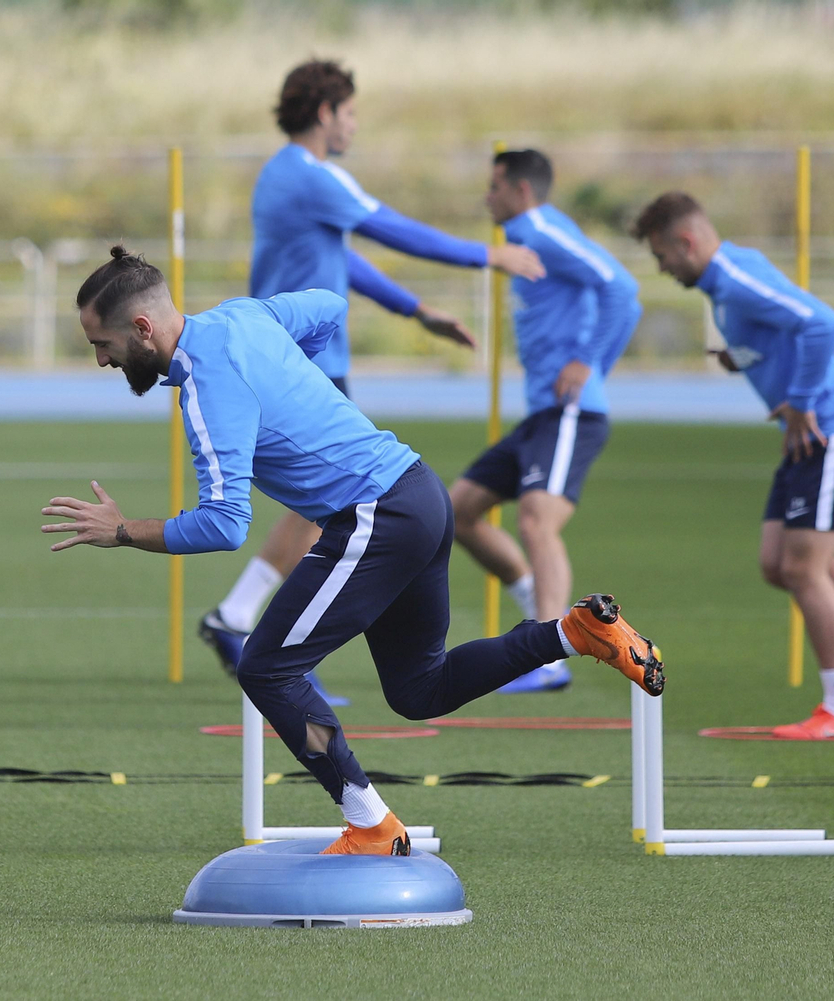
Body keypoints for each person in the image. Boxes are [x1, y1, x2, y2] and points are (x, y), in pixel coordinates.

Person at [43, 248, 662, 855]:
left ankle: (370, 823)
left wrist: (122, 530)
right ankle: (575, 633)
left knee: (265, 668)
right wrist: (294, 380)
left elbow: (226, 525)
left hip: (377, 517)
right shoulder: (246, 317)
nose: (101, 359)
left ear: (143, 327)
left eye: (103, 344)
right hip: (419, 492)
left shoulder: (207, 389)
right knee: (419, 690)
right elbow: (329, 307)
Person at [197, 59, 546, 705]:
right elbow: (391, 227)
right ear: (326, 112)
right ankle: (252, 628)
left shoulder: (288, 178)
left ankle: (239, 616)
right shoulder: (309, 175)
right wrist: (489, 254)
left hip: (294, 360)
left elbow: (342, 258)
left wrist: (415, 310)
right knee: (341, 502)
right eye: (351, 112)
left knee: (323, 506)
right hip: (300, 364)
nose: (355, 124)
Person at [632, 193, 834, 740]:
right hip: (807, 436)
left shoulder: (731, 276)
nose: (662, 269)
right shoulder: (723, 288)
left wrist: (801, 399)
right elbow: (782, 329)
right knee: (778, 564)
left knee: (804, 569)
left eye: (662, 256)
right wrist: (743, 357)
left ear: (686, 242)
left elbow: (822, 322)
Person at [449, 149, 642, 693]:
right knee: (459, 511)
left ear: (521, 191)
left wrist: (589, 360)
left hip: (572, 412)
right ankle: (541, 608)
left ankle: (548, 658)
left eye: (494, 187)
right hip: (541, 416)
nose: (487, 197)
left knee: (536, 521)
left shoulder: (539, 229)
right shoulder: (524, 235)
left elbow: (622, 289)